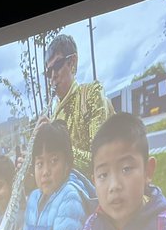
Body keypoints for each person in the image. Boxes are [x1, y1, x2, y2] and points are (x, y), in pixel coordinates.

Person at [42, 32, 113, 177]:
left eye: (57, 65)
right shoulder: (54, 114)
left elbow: (98, 160)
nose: (53, 76)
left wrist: (57, 143)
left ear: (72, 62)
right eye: (48, 72)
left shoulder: (91, 93)